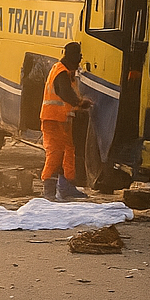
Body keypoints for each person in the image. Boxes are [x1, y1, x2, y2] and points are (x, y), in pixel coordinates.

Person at [40, 42, 93, 201]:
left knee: (68, 152)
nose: (79, 63)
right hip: (54, 119)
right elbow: (64, 93)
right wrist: (79, 103)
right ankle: (48, 190)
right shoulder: (61, 72)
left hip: (63, 119)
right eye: (78, 59)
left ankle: (66, 187)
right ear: (73, 57)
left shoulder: (66, 72)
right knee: (55, 153)